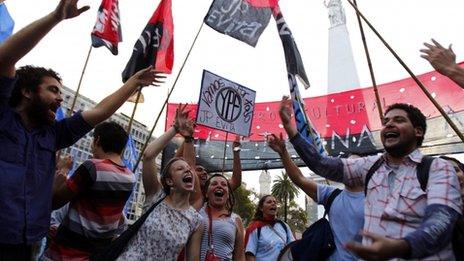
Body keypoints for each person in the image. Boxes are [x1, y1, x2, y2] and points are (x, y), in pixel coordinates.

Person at [0, 0, 164, 259]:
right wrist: (55, 17)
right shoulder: (4, 119)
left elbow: (99, 112)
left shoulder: (53, 134)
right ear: (27, 91)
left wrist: (133, 82)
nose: (60, 98)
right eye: (52, 90)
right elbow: (6, 57)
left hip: (27, 243)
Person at [278, 96, 462, 260]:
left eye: (399, 120)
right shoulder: (370, 166)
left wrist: (400, 247)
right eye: (386, 121)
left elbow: (442, 221)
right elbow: (321, 164)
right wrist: (291, 130)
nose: (389, 124)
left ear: (418, 131)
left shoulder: (438, 168)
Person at [117, 105, 202, 260]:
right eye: (179, 169)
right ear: (169, 181)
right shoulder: (155, 196)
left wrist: (189, 138)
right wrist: (175, 128)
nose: (188, 171)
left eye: (188, 169)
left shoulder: (195, 220)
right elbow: (149, 156)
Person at [44, 122, 136, 260]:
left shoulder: (92, 167)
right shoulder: (130, 177)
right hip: (96, 254)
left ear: (97, 140)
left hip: (65, 253)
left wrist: (60, 171)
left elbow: (55, 202)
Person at [268, 133, 364, 261]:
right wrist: (283, 152)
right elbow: (300, 179)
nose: (351, 168)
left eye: (356, 165)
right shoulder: (332, 195)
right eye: (347, 165)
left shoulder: (377, 201)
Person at [196, 173, 245, 261]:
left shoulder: (236, 220)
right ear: (206, 193)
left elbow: (240, 256)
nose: (219, 186)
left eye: (224, 184)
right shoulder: (196, 213)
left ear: (228, 194)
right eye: (214, 184)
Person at [245, 195, 294, 261]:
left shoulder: (284, 226)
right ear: (261, 208)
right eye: (269, 202)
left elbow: (292, 247)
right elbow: (249, 254)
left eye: (275, 202)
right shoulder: (254, 228)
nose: (273, 203)